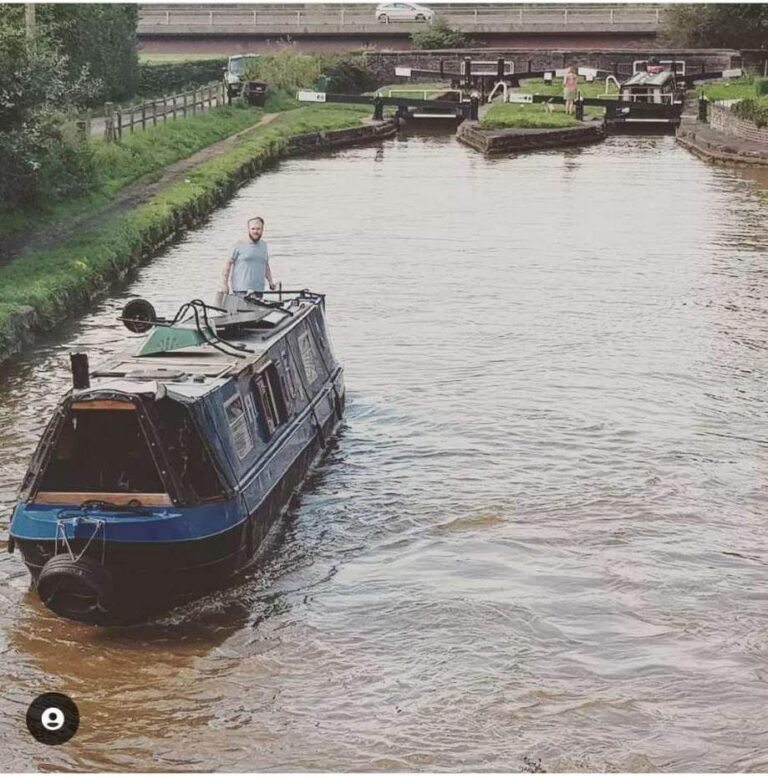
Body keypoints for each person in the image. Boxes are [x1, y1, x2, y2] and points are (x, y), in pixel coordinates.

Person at [220, 216, 277, 295]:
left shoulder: (264, 245)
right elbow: (227, 266)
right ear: (248, 230)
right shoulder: (238, 245)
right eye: (253, 229)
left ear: (262, 230)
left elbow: (265, 265)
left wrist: (271, 282)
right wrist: (224, 284)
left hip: (259, 289)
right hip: (241, 289)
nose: (255, 231)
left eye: (258, 229)